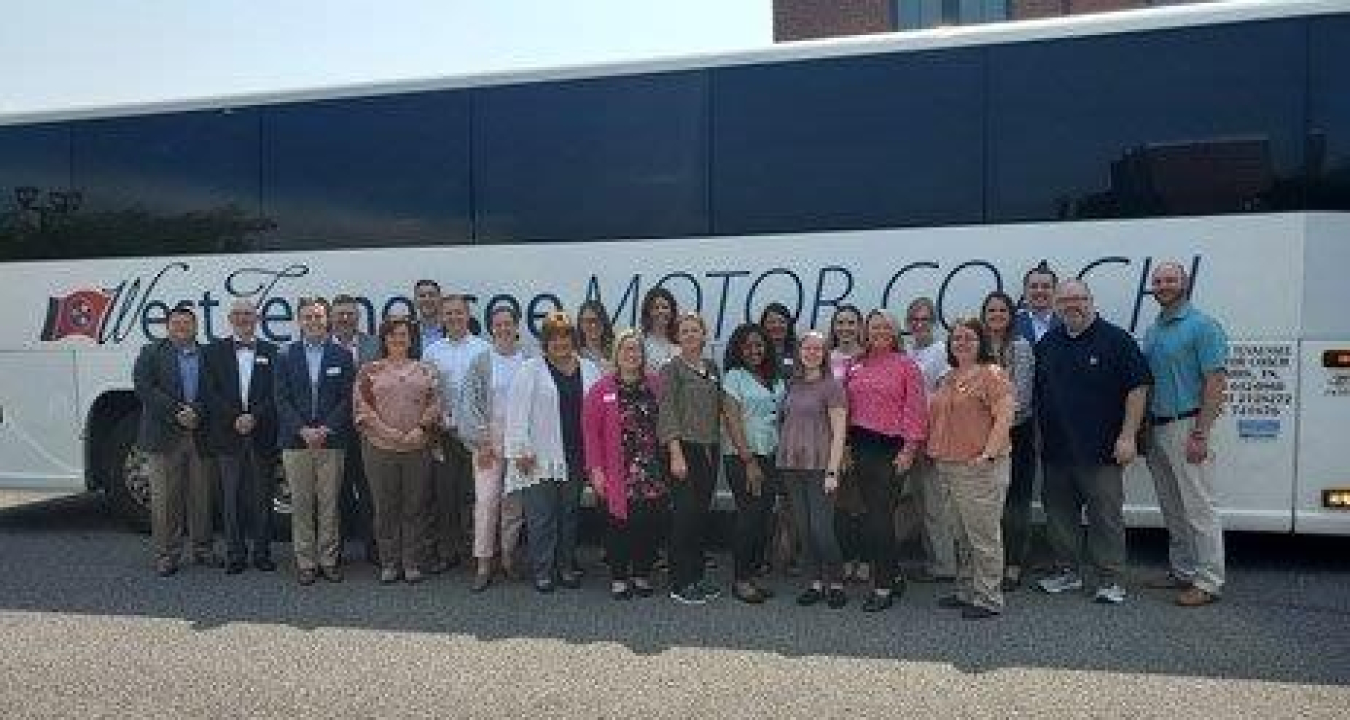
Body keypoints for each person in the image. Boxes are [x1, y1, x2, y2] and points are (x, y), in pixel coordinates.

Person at [1035, 279, 1150, 605]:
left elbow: (1138, 388)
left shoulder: (1116, 339)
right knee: (1059, 517)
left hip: (1102, 452)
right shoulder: (1049, 342)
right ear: (1056, 305)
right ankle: (1067, 572)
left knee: (1105, 518)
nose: (1073, 305)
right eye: (1066, 300)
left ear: (1091, 300)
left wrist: (1128, 436)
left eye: (1079, 298)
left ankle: (1111, 580)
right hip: (1057, 451)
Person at [1143, 261, 1229, 607]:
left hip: (1188, 424)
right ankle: (1183, 571)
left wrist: (1201, 432)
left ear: (1186, 283)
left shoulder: (1204, 326)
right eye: (1159, 281)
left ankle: (1209, 581)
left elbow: (1216, 382)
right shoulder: (1154, 329)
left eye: (1171, 280)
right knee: (1172, 505)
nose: (1164, 285)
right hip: (1158, 426)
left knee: (1199, 507)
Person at [505, 311, 601, 592]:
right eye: (554, 338)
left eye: (565, 337)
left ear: (574, 339)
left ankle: (566, 566)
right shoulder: (530, 369)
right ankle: (543, 570)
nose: (560, 343)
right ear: (545, 342)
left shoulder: (589, 369)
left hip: (576, 455)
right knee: (542, 517)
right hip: (538, 457)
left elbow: (597, 414)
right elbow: (516, 413)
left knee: (569, 514)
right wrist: (520, 449)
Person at [927, 318, 1016, 620]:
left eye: (969, 338)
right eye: (957, 338)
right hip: (948, 465)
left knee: (983, 535)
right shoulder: (947, 377)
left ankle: (989, 597)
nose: (962, 343)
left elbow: (1005, 418)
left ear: (981, 343)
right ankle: (966, 590)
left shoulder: (992, 374)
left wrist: (988, 455)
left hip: (979, 467)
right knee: (960, 533)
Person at [843, 309, 928, 611]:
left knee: (879, 517)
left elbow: (916, 410)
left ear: (894, 333)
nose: (879, 332)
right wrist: (846, 448)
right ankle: (894, 577)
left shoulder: (907, 366)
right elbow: (847, 409)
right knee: (875, 516)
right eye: (873, 327)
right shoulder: (856, 364)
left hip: (891, 449)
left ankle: (882, 586)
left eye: (885, 327)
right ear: (866, 332)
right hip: (861, 447)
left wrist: (908, 450)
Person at [353, 317, 443, 584]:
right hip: (380, 448)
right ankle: (389, 562)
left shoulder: (425, 370)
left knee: (415, 507)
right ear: (384, 339)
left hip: (417, 447)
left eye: (403, 334)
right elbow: (362, 408)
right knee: (385, 507)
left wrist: (421, 428)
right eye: (392, 335)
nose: (398, 339)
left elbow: (435, 402)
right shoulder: (369, 371)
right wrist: (387, 432)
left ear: (411, 338)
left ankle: (412, 562)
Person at [583, 329, 668, 600]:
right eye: (626, 349)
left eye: (636, 350)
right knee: (618, 525)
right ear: (617, 354)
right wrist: (595, 470)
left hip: (651, 468)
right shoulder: (602, 388)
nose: (632, 354)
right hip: (618, 471)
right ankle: (619, 577)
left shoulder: (656, 384)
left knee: (649, 523)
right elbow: (590, 433)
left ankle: (641, 573)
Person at [275, 298, 356, 585]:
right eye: (307, 317)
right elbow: (281, 399)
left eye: (318, 316)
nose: (313, 321)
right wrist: (302, 430)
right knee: (301, 504)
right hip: (296, 442)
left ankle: (329, 560)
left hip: (331, 441)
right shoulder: (285, 355)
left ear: (327, 320)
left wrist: (325, 429)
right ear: (299, 321)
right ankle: (306, 562)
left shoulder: (342, 356)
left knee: (330, 503)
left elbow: (347, 399)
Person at [133, 306, 217, 576]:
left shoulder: (208, 354)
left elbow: (216, 390)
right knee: (166, 499)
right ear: (167, 327)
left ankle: (203, 549)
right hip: (164, 435)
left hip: (199, 433)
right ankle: (167, 554)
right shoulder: (151, 353)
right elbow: (144, 387)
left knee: (201, 495)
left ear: (195, 327)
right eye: (176, 322)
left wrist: (199, 412)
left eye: (187, 323)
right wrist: (177, 413)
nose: (181, 327)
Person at [201, 299, 280, 575]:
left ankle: (262, 552)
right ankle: (235, 553)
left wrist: (254, 417)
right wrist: (234, 417)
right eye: (239, 314)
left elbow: (276, 393)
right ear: (230, 318)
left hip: (261, 431)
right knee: (230, 497)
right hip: (228, 432)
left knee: (262, 496)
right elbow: (209, 392)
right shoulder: (212, 352)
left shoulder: (272, 351)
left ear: (256, 319)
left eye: (249, 314)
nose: (244, 318)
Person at [777, 331, 849, 609]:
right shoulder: (793, 384)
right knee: (804, 529)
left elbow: (839, 431)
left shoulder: (832, 387)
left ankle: (837, 581)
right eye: (807, 348)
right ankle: (815, 582)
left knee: (822, 528)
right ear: (799, 352)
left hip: (821, 466)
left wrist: (833, 471)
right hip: (792, 465)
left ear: (825, 354)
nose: (811, 353)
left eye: (817, 349)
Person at [460, 305, 529, 590]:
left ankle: (509, 558)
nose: (503, 328)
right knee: (487, 503)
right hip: (488, 443)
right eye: (497, 324)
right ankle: (484, 562)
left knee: (513, 505)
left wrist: (527, 445)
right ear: (491, 328)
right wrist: (481, 441)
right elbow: (470, 403)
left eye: (507, 324)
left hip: (519, 446)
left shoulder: (529, 360)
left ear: (516, 327)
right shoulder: (481, 361)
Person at [422, 294, 491, 573]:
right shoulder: (432, 352)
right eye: (448, 314)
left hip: (477, 436)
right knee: (445, 495)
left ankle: (477, 552)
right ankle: (447, 552)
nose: (453, 318)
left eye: (458, 313)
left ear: (468, 315)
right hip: (445, 434)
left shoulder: (484, 349)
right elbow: (427, 394)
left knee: (475, 496)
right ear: (441, 318)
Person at [658, 312, 723, 605]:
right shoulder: (671, 369)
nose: (690, 335)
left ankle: (697, 576)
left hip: (709, 449)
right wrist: (675, 453)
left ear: (703, 334)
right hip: (682, 450)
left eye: (695, 330)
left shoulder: (711, 367)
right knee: (684, 516)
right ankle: (679, 582)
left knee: (699, 516)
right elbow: (667, 411)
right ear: (677, 336)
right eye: (684, 331)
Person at [720, 323, 785, 604]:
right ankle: (741, 580)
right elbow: (732, 419)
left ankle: (753, 575)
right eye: (747, 346)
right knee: (748, 516)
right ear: (738, 350)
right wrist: (748, 460)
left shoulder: (775, 377)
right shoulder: (734, 377)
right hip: (743, 456)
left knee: (762, 516)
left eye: (759, 345)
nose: (754, 350)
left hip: (771, 455)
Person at [981, 291, 1036, 590]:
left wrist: (996, 425)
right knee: (988, 502)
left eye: (1003, 310)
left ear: (1012, 314)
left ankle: (1013, 565)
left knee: (1015, 501)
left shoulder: (1021, 347)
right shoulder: (979, 347)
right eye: (991, 310)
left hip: (1017, 434)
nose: (997, 315)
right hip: (981, 436)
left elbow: (1022, 397)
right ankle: (991, 564)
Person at [902, 296, 957, 584]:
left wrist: (933, 439)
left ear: (933, 323)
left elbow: (943, 399)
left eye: (925, 320)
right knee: (919, 503)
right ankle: (931, 558)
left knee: (936, 504)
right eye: (914, 320)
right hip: (908, 438)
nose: (919, 324)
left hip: (930, 438)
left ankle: (945, 565)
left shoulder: (941, 352)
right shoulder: (908, 352)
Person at [331, 293, 381, 564]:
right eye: (340, 313)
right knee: (334, 492)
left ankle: (374, 549)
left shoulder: (374, 345)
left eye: (350, 313)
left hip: (369, 430)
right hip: (334, 431)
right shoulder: (322, 347)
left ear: (358, 317)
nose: (345, 318)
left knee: (370, 491)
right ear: (331, 317)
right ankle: (333, 553)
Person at [827, 304, 867, 583]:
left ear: (859, 326)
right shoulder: (825, 358)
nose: (845, 328)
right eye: (840, 322)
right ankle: (847, 557)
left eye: (851, 322)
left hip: (866, 436)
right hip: (833, 438)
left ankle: (866, 560)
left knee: (864, 503)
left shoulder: (870, 357)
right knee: (840, 504)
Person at [1014, 262, 1060, 344]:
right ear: (1025, 291)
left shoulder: (1067, 323)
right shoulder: (1012, 323)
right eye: (1034, 286)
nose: (1039, 291)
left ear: (1055, 291)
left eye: (1045, 286)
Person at [640, 287, 679, 372]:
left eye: (665, 307)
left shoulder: (681, 340)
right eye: (656, 308)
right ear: (648, 312)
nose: (661, 311)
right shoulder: (640, 340)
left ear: (672, 312)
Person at [577, 300, 616, 374]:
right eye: (588, 321)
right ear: (581, 324)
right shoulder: (575, 354)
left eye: (597, 320)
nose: (593, 325)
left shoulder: (617, 352)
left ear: (604, 322)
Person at [409, 279, 445, 359]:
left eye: (431, 295)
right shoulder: (409, 331)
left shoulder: (452, 329)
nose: (427, 299)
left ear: (440, 299)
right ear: (415, 301)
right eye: (422, 296)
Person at [760, 302, 797, 377]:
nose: (777, 326)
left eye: (782, 322)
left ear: (789, 325)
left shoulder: (798, 350)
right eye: (771, 322)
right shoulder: (756, 350)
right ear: (763, 325)